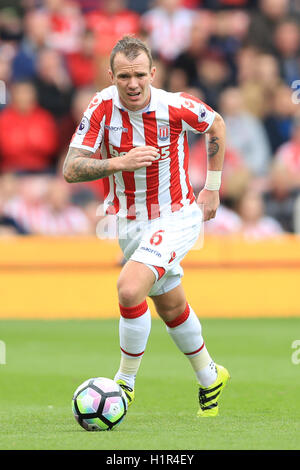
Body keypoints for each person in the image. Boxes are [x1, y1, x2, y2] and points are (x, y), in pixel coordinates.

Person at [63, 36, 229, 418]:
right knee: (171, 305)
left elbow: (215, 124)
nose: (133, 83)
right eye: (124, 76)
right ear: (111, 76)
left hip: (176, 216)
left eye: (140, 74)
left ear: (153, 73)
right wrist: (119, 162)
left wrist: (212, 189)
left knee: (128, 287)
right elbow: (71, 169)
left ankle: (124, 383)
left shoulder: (174, 106)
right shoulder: (101, 107)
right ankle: (210, 376)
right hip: (127, 221)